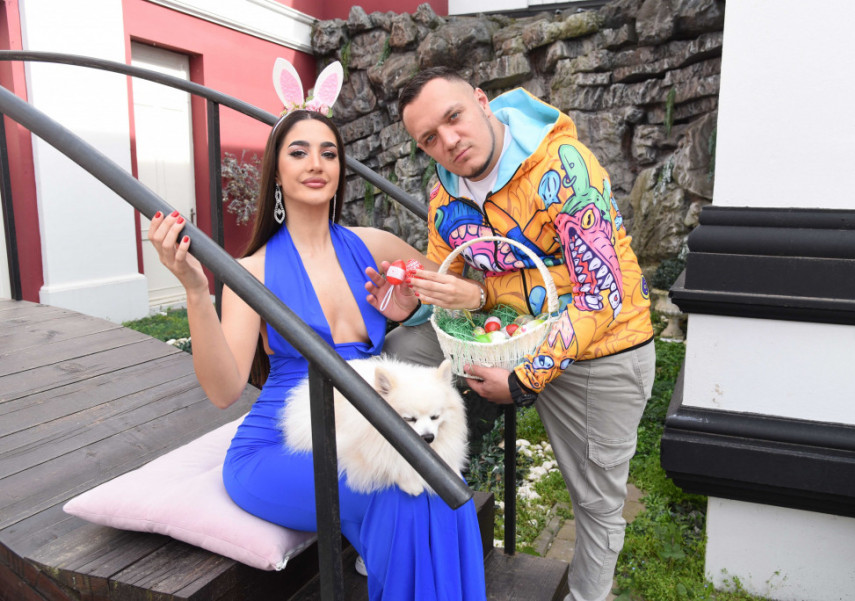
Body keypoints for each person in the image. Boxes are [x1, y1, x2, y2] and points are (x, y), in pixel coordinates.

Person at [148, 107, 487, 601]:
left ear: (340, 169)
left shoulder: (374, 246)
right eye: (298, 152)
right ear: (276, 171)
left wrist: (411, 311)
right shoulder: (252, 270)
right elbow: (223, 391)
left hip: (361, 431)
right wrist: (197, 293)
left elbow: (465, 293)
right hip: (281, 445)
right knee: (409, 491)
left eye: (329, 153)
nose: (316, 163)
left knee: (443, 485)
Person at [380, 67, 657, 601]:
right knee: (400, 354)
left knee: (596, 503)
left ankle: (587, 596)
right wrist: (411, 304)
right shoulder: (444, 194)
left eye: (454, 117)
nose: (448, 141)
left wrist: (524, 379)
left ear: (482, 101)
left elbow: (601, 293)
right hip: (512, 332)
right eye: (429, 138)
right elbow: (450, 280)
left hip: (603, 347)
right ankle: (402, 532)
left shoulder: (563, 166)